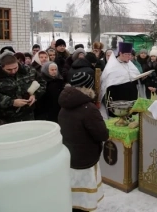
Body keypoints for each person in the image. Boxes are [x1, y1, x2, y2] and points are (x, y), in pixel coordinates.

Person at [58, 72, 109, 212]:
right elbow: (102, 134)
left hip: (69, 155)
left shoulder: (64, 104)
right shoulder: (88, 108)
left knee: (73, 193)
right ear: (89, 87)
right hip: (85, 158)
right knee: (85, 197)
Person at [0, 51, 46, 125]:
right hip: (5, 118)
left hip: (28, 115)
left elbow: (42, 83)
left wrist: (35, 95)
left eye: (15, 68)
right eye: (9, 69)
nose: (13, 71)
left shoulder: (29, 70)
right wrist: (11, 102)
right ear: (2, 67)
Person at [100, 42, 141, 118]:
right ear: (121, 53)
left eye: (130, 55)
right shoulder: (112, 67)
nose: (130, 57)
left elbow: (135, 77)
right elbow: (107, 83)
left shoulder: (130, 64)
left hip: (132, 98)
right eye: (127, 54)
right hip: (118, 100)